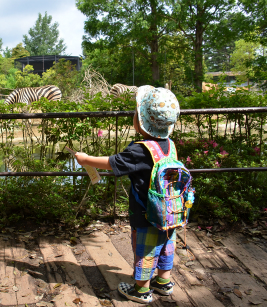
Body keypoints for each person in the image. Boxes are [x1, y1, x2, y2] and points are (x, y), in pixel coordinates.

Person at [74, 85, 180, 304]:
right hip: (171, 211)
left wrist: (85, 160)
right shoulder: (169, 144)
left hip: (147, 212)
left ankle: (141, 291)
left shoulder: (140, 150)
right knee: (166, 245)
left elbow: (112, 163)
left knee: (146, 249)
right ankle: (164, 282)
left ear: (141, 121)